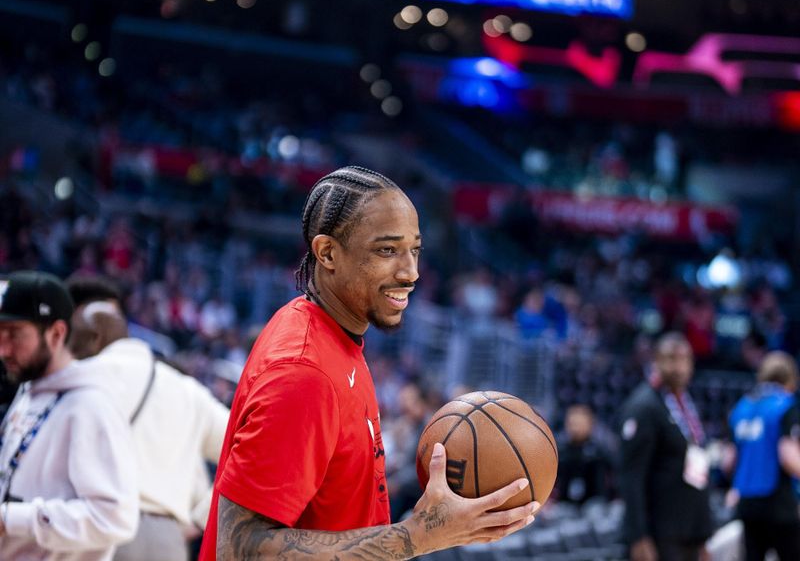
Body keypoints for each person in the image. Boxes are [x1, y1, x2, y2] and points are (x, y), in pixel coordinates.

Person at [199, 166, 539, 561]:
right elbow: (240, 550)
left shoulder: (328, 333)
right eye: (386, 250)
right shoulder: (304, 372)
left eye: (415, 250)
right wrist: (416, 537)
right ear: (327, 253)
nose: (411, 272)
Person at [65, 275, 230, 561]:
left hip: (95, 530)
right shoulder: (187, 389)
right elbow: (250, 446)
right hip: (167, 540)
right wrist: (201, 517)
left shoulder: (81, 375)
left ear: (93, 336)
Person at [0, 270, 139, 560]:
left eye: (14, 334)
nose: (3, 349)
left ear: (56, 333)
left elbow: (115, 517)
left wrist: (13, 518)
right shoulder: (29, 390)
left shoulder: (92, 404)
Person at [619, 331, 713, 561]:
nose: (679, 367)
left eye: (684, 359)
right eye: (671, 358)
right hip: (659, 533)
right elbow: (631, 477)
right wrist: (638, 537)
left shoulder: (686, 403)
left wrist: (702, 535)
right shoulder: (644, 406)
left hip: (687, 531)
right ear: (657, 361)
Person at [729, 351, 800, 561]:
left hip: (747, 503)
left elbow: (729, 460)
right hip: (779, 502)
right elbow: (788, 455)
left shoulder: (742, 407)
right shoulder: (786, 405)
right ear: (790, 378)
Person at [556, 404, 613, 505]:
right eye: (572, 424)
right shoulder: (559, 450)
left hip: (595, 503)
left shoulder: (600, 450)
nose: (575, 429)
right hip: (565, 505)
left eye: (579, 424)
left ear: (590, 424)